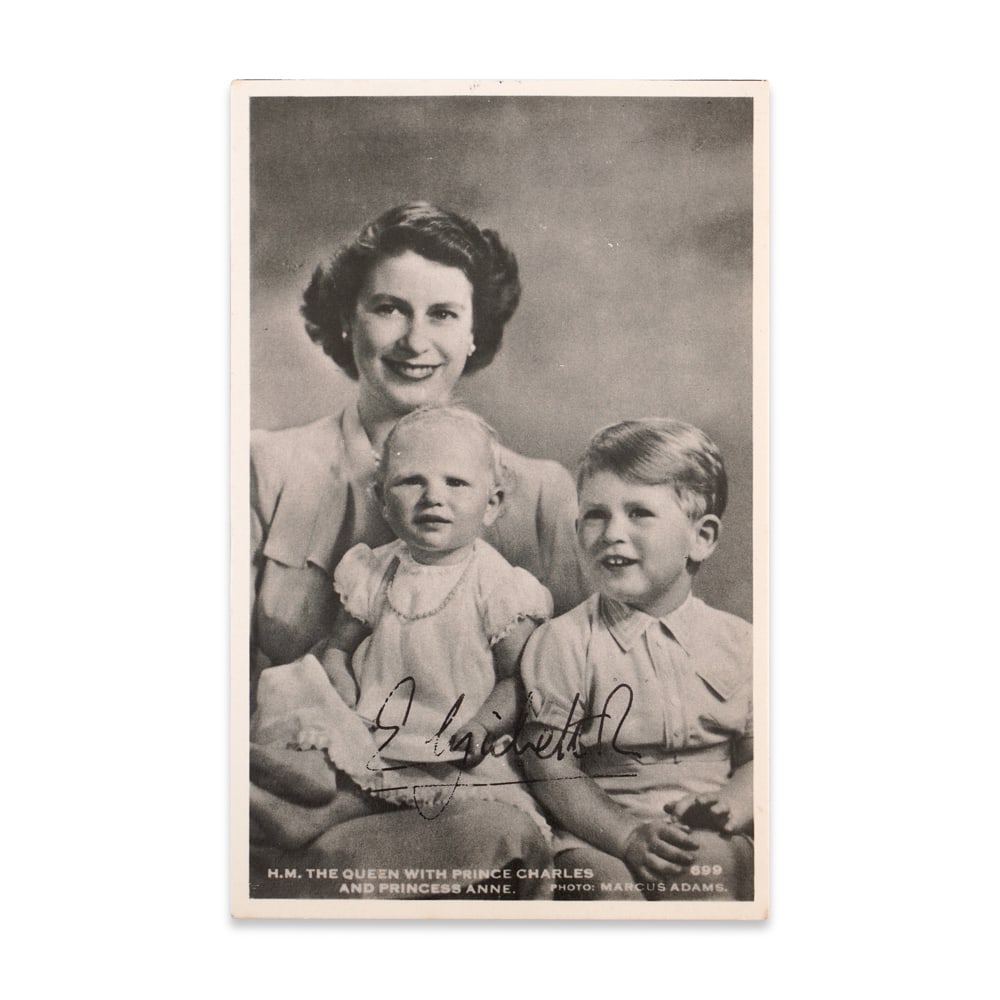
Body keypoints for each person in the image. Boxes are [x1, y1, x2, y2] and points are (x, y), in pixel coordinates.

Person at [248, 203, 584, 896]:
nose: (414, 340)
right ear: (348, 320)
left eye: (443, 314)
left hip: (463, 780)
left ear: (475, 333)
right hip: (304, 775)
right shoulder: (262, 467)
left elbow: (571, 688)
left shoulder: (541, 493)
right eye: (389, 308)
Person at [253, 406, 553, 837]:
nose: (433, 496)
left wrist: (483, 725)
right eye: (412, 481)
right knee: (309, 703)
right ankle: (293, 792)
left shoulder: (500, 586)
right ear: (382, 500)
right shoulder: (372, 570)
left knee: (450, 804)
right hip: (374, 729)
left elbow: (517, 680)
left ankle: (305, 816)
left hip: (452, 746)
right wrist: (343, 694)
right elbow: (338, 648)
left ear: (492, 504)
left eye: (456, 482)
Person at [519, 418, 754, 901]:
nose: (612, 533)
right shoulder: (563, 642)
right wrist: (624, 834)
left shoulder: (742, 643)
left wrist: (733, 802)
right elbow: (548, 765)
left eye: (639, 513)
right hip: (597, 829)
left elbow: (766, 757)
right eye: (595, 515)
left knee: (704, 868)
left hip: (702, 829)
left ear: (701, 537)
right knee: (599, 886)